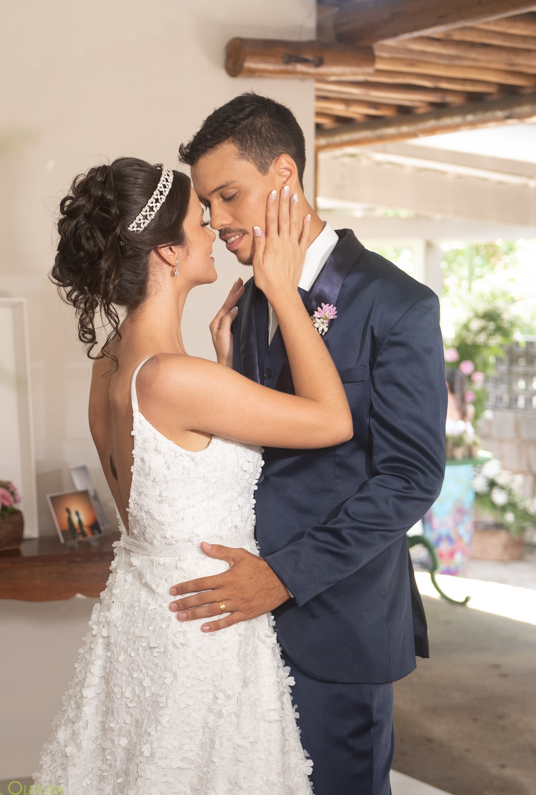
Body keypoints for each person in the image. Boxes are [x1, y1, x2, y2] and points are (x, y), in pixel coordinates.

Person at [32, 155, 353, 794]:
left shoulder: (110, 367)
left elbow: (164, 480)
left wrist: (226, 367)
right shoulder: (177, 380)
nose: (212, 229)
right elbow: (331, 420)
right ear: (168, 254)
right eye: (196, 221)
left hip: (145, 620)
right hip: (203, 630)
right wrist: (284, 292)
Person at [168, 94, 447, 795]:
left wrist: (284, 574)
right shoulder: (255, 296)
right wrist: (230, 369)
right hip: (243, 614)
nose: (219, 221)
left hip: (337, 618)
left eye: (230, 195)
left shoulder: (399, 302)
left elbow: (411, 475)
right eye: (208, 207)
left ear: (284, 173)